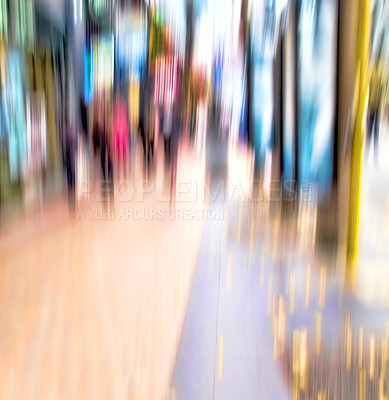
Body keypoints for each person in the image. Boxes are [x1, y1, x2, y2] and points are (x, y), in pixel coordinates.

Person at [366, 55, 387, 163]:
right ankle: (373, 153)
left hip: (373, 105)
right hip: (376, 105)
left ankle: (370, 152)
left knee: (371, 129)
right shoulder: (381, 73)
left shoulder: (372, 71)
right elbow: (383, 90)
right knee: (374, 130)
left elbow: (382, 89)